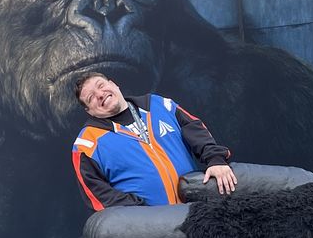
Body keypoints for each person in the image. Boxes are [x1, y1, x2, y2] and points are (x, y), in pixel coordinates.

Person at [71, 71, 237, 210]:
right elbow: (97, 195)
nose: (100, 94)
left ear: (114, 84)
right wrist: (141, 214)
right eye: (91, 97)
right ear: (89, 111)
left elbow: (195, 129)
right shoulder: (86, 144)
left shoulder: (160, 105)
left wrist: (215, 160)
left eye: (101, 85)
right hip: (151, 235)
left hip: (197, 214)